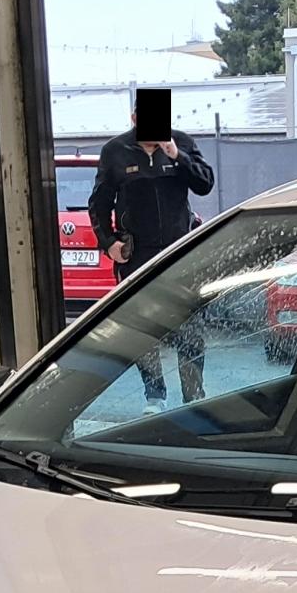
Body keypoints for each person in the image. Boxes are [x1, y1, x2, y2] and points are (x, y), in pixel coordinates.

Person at [88, 107, 214, 405]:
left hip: (179, 252)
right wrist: (109, 243)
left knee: (190, 328)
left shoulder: (182, 143)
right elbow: (99, 203)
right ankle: (154, 396)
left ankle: (193, 396)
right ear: (134, 118)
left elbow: (205, 184)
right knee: (143, 329)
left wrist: (176, 154)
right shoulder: (115, 151)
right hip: (137, 255)